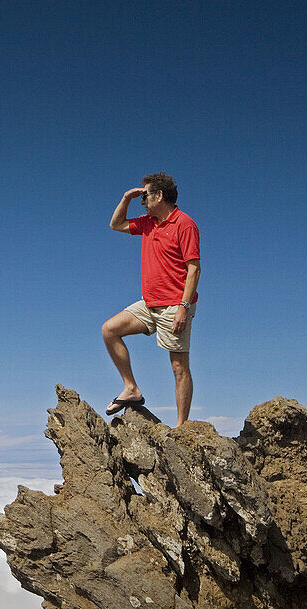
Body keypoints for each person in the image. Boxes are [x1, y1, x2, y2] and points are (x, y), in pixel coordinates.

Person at [103, 172, 201, 427]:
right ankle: (131, 388)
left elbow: (194, 269)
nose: (142, 200)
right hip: (149, 304)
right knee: (110, 330)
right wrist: (126, 198)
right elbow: (116, 224)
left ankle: (182, 427)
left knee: (179, 366)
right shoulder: (148, 223)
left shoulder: (184, 224)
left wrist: (183, 307)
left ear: (159, 195)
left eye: (145, 195)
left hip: (175, 305)